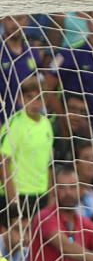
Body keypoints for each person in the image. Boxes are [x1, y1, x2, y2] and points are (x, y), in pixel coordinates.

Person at [28, 165, 93, 261]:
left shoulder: (83, 222)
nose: (68, 192)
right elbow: (66, 247)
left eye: (72, 187)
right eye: (62, 187)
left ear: (81, 190)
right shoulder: (45, 216)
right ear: (54, 190)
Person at [0, 75, 52, 216]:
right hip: (18, 194)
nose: (35, 103)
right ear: (20, 99)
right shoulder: (13, 125)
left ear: (45, 100)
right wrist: (12, 200)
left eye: (39, 98)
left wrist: (50, 193)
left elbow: (48, 162)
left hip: (41, 194)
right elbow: (3, 163)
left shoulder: (46, 124)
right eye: (29, 97)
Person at [0, 14, 41, 122]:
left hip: (27, 121)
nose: (15, 24)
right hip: (4, 121)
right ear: (2, 20)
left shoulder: (32, 52)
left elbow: (37, 89)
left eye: (19, 18)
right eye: (10, 19)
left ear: (27, 20)